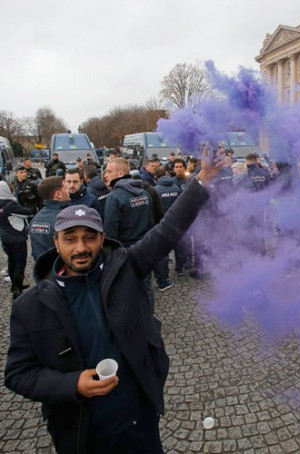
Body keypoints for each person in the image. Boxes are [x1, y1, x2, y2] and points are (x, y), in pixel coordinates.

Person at [4, 156, 220, 453]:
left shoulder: (125, 269)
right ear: (56, 243)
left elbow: (167, 231)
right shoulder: (31, 305)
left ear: (102, 239)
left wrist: (201, 180)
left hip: (139, 423)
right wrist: (72, 384)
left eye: (89, 238)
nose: (81, 248)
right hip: (82, 433)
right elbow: (18, 374)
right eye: (71, 239)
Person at [0, 180, 35, 299]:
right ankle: (17, 289)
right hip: (17, 238)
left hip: (4, 236)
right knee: (20, 263)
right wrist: (33, 206)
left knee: (11, 261)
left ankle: (14, 285)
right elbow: (28, 212)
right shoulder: (10, 205)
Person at [29, 176, 70, 260]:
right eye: (65, 188)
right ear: (58, 194)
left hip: (41, 268)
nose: (69, 190)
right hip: (59, 269)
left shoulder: (35, 219)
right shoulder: (64, 219)